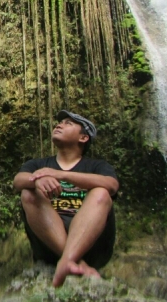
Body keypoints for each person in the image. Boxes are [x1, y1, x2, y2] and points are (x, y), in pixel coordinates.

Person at [13, 110, 118, 287]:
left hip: (93, 246)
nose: (59, 124)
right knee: (28, 192)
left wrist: (61, 175)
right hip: (48, 245)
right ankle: (74, 261)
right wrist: (37, 180)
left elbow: (112, 185)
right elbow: (17, 181)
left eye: (68, 123)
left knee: (101, 193)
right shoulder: (38, 165)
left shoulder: (97, 166)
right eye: (59, 122)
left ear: (83, 138)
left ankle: (69, 259)